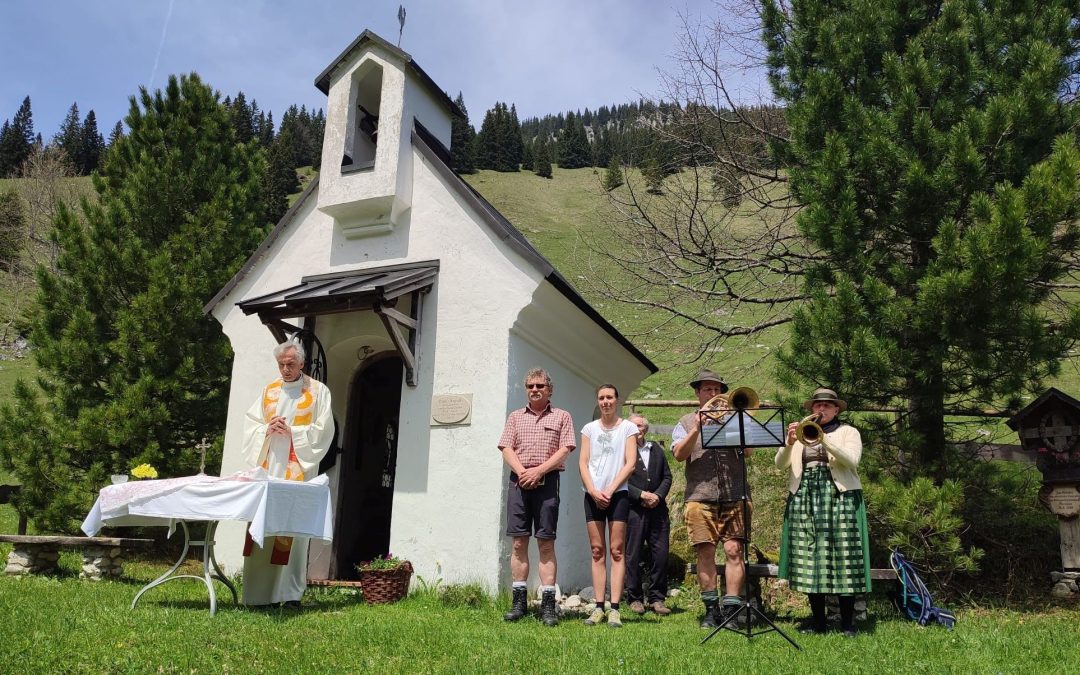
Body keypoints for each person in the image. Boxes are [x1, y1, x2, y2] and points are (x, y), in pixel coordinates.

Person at [240, 340, 334, 607]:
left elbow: (324, 430)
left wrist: (293, 432)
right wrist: (266, 429)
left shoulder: (318, 392)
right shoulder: (269, 391)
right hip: (270, 469)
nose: (285, 369)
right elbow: (251, 425)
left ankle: (289, 595)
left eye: (290, 364)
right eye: (281, 365)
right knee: (263, 527)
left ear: (302, 363)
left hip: (297, 471)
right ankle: (257, 595)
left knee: (292, 531)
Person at [776, 388, 870, 638]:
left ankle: (848, 624)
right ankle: (819, 622)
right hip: (804, 496)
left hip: (839, 497)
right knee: (810, 558)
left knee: (844, 557)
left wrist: (824, 439)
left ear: (837, 409)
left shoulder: (848, 432)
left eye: (827, 406)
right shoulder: (800, 434)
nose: (821, 410)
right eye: (817, 406)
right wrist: (789, 443)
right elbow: (780, 464)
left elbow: (852, 461)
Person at [671, 369, 750, 629]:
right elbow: (679, 454)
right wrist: (696, 428)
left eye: (717, 390)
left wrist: (739, 423)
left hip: (735, 493)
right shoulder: (684, 422)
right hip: (699, 496)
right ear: (697, 393)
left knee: (734, 550)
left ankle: (731, 610)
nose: (713, 394)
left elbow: (748, 452)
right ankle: (710, 610)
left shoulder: (735, 419)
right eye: (708, 389)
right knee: (705, 552)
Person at [498, 367, 576, 626]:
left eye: (540, 386)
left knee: (545, 544)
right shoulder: (515, 417)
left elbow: (565, 449)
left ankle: (548, 606)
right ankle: (518, 603)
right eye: (531, 386)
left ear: (549, 389)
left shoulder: (562, 416)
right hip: (519, 483)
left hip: (547, 483)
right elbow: (506, 447)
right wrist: (522, 472)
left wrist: (539, 471)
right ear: (526, 389)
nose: (535, 390)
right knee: (519, 543)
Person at [579, 384, 639, 628]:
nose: (606, 402)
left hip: (618, 495)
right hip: (592, 496)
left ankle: (615, 608)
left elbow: (630, 463)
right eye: (602, 398)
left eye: (610, 397)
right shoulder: (589, 429)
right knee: (597, 550)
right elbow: (582, 463)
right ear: (598, 401)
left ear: (617, 400)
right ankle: (599, 606)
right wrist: (593, 491)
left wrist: (611, 489)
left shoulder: (628, 428)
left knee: (616, 551)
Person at [624, 414, 673, 617]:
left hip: (658, 510)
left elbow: (667, 476)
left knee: (660, 554)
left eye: (642, 426)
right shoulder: (622, 450)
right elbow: (618, 479)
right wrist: (640, 495)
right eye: (635, 426)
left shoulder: (656, 449)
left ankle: (657, 598)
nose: (639, 429)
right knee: (633, 554)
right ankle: (634, 598)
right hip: (634, 510)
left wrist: (658, 496)